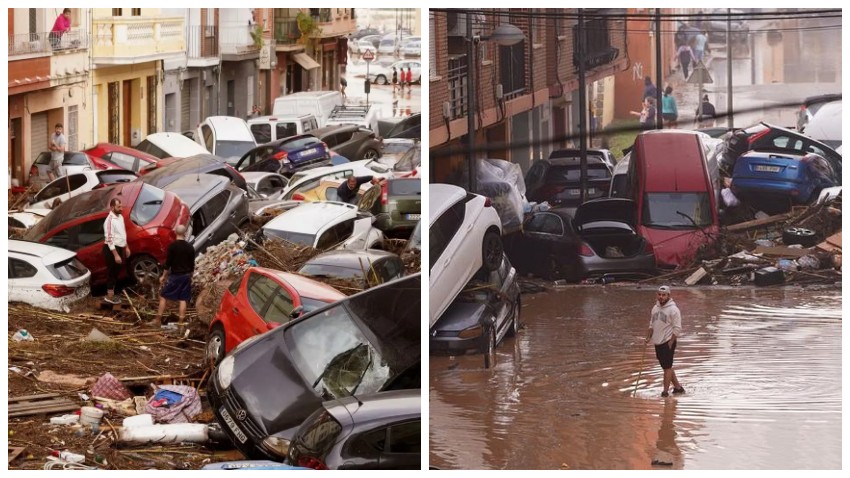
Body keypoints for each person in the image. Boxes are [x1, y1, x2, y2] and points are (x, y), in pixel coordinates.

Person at [645, 286, 685, 397]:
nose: (661, 297)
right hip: (657, 341)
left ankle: (665, 392)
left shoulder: (673, 310)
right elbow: (651, 325)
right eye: (659, 294)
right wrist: (648, 337)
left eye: (664, 295)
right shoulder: (655, 308)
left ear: (668, 296)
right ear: (657, 295)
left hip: (668, 341)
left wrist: (671, 342)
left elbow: (678, 328)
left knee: (667, 367)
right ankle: (678, 388)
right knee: (666, 366)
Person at [156, 225, 195, 332]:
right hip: (186, 276)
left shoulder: (172, 246)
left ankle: (158, 320)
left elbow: (168, 264)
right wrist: (190, 276)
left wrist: (163, 276)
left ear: (175, 233)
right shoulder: (190, 247)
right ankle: (181, 324)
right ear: (185, 233)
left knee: (163, 296)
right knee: (183, 299)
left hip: (175, 276)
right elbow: (192, 265)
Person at [103, 198, 131, 305]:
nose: (121, 208)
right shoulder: (109, 220)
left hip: (120, 247)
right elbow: (109, 239)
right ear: (112, 207)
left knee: (117, 271)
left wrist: (126, 247)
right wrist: (116, 255)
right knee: (112, 272)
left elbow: (123, 234)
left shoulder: (120, 217)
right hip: (111, 250)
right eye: (118, 207)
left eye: (121, 206)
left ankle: (113, 293)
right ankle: (109, 297)